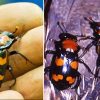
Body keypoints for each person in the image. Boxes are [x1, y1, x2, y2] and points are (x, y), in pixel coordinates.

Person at [0, 2, 43, 99]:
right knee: (14, 60)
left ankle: (14, 81)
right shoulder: (5, 50)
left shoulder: (4, 50)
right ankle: (14, 81)